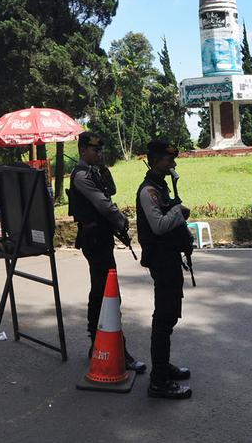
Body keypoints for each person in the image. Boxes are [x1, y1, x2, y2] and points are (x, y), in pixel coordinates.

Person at [68, 132, 146, 373]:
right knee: (108, 294)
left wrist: (103, 168)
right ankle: (116, 350)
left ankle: (96, 345)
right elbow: (102, 203)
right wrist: (122, 220)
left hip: (101, 238)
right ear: (82, 151)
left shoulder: (95, 172)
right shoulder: (81, 176)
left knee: (102, 290)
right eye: (94, 150)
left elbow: (111, 188)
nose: (99, 154)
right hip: (94, 239)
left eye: (100, 150)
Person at [136, 139, 193, 400]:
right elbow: (159, 225)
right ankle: (159, 381)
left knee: (169, 316)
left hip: (169, 258)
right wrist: (179, 211)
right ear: (156, 161)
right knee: (164, 317)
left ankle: (163, 366)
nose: (173, 164)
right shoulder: (148, 190)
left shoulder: (160, 185)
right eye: (169, 160)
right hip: (161, 260)